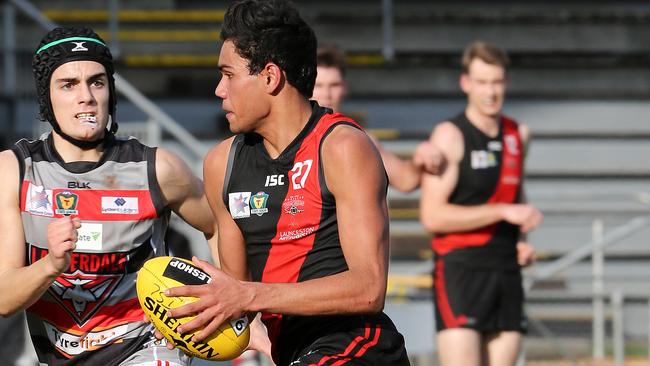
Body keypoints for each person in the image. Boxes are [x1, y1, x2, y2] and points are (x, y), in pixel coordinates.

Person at [162, 1, 411, 365]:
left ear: (270, 77)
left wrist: (247, 297)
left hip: (359, 344)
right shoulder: (222, 164)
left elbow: (369, 289)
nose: (219, 89)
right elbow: (239, 301)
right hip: (292, 352)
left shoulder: (342, 147)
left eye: (228, 75)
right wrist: (189, 318)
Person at [0, 26, 219, 366]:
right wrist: (52, 265)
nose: (86, 96)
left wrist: (229, 298)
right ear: (46, 97)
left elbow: (220, 226)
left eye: (97, 82)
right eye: (68, 84)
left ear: (110, 93)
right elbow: (4, 298)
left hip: (147, 349)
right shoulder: (14, 170)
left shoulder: (157, 168)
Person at [419, 41, 543, 366]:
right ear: (466, 83)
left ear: (507, 83)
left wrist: (523, 240)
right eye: (482, 82)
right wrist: (502, 212)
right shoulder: (449, 135)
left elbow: (517, 193)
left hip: (506, 270)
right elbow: (432, 216)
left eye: (497, 82)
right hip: (462, 269)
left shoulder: (519, 135)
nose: (490, 91)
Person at [312, 44, 444, 192]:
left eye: (334, 85)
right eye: (319, 86)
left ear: (345, 87)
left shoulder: (360, 139)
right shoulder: (291, 137)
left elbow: (406, 180)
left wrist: (419, 161)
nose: (327, 94)